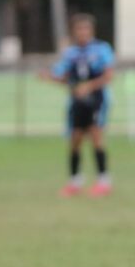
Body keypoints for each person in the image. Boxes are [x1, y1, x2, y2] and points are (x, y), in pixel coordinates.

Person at [41, 13, 115, 197]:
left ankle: (103, 180)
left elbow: (108, 76)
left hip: (97, 99)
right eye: (79, 29)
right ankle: (75, 181)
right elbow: (64, 78)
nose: (82, 32)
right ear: (74, 32)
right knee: (75, 139)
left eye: (86, 28)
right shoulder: (70, 53)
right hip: (77, 101)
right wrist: (49, 77)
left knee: (96, 136)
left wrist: (88, 86)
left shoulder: (101, 49)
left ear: (91, 30)